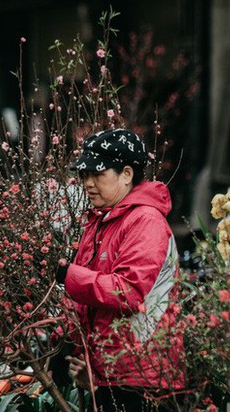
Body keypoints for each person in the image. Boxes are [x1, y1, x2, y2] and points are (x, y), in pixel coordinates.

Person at [55, 129, 183, 410]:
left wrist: (70, 276)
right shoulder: (102, 220)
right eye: (84, 175)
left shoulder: (145, 221)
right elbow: (86, 304)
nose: (88, 183)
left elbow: (129, 291)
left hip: (142, 376)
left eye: (97, 174)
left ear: (127, 173)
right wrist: (62, 342)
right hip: (112, 372)